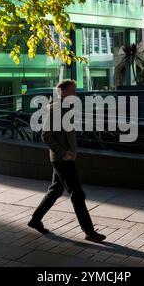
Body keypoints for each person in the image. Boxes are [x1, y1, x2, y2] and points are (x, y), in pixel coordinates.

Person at [28, 80, 106, 243]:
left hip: (63, 158)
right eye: (73, 91)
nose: (75, 94)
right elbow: (45, 135)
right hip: (62, 159)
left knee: (56, 190)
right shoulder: (56, 110)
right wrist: (63, 153)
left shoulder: (64, 108)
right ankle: (89, 231)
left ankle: (35, 220)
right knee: (78, 194)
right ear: (62, 93)